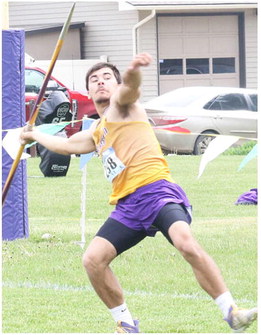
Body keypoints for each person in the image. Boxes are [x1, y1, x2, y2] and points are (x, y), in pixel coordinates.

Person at [21, 53, 257, 333]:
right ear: (88, 91)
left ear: (117, 85)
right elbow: (67, 145)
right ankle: (125, 323)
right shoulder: (98, 130)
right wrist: (32, 135)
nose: (100, 83)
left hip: (157, 192)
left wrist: (133, 69)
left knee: (185, 243)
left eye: (107, 78)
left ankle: (230, 311)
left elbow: (131, 88)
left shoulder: (124, 107)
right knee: (93, 260)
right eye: (94, 80)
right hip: (128, 206)